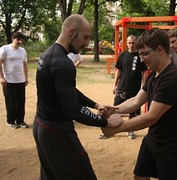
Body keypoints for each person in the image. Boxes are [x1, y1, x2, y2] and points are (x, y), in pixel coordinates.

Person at [33, 14, 123, 180]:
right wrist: (106, 122)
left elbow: (68, 91)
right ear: (71, 31)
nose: (87, 43)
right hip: (57, 131)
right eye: (85, 37)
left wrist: (95, 105)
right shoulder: (63, 64)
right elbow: (73, 109)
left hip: (41, 125)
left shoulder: (48, 54)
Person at [101, 28, 177, 180]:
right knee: (140, 176)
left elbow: (151, 117)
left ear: (159, 50)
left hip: (170, 147)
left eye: (144, 53)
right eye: (140, 54)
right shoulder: (154, 74)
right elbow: (136, 101)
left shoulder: (172, 78)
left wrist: (116, 129)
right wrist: (112, 110)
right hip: (152, 140)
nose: (141, 58)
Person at [100, 35, 147, 139]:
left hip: (135, 89)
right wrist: (115, 85)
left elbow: (143, 73)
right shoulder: (123, 55)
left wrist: (144, 86)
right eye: (129, 43)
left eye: (133, 43)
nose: (131, 45)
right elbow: (118, 71)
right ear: (126, 43)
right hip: (122, 88)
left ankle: (130, 130)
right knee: (114, 110)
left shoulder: (140, 56)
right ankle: (108, 130)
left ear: (136, 43)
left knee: (133, 113)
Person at [0, 32, 29, 129]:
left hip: (20, 80)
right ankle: (11, 121)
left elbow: (25, 64)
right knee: (11, 102)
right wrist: (1, 77)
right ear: (13, 38)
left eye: (21, 40)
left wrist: (26, 77)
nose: (20, 42)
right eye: (18, 39)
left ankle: (20, 120)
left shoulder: (23, 51)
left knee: (21, 101)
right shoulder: (5, 49)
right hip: (9, 81)